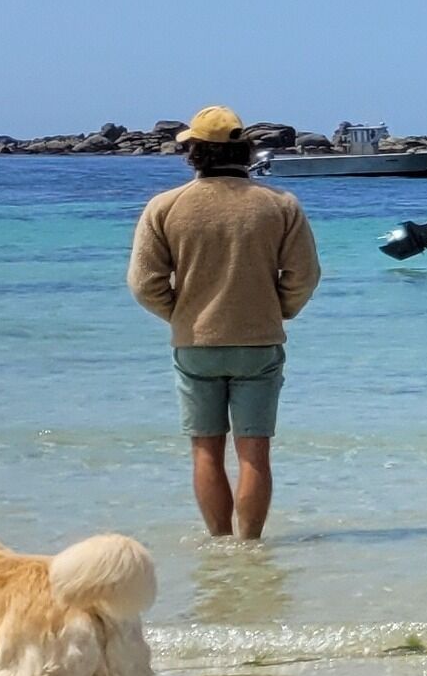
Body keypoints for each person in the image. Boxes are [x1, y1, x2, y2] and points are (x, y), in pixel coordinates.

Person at [127, 106, 321, 540]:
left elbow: (143, 283)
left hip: (195, 344)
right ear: (245, 150)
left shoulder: (165, 206)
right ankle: (250, 547)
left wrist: (181, 316)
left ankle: (219, 544)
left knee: (205, 452)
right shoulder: (280, 205)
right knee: (254, 453)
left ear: (194, 152)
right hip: (258, 343)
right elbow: (304, 276)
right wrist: (277, 311)